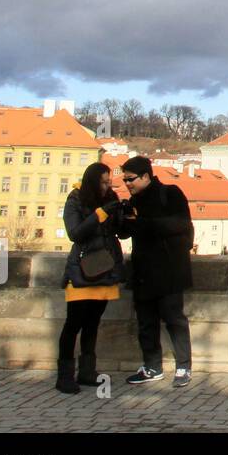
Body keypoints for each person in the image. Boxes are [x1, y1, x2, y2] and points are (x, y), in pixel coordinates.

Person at [116, 156, 194, 387]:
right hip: (143, 271)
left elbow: (180, 224)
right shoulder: (133, 201)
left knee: (174, 319)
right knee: (146, 321)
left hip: (170, 270)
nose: (127, 183)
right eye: (124, 179)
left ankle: (183, 367)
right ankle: (152, 366)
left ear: (146, 176)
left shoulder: (170, 193)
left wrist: (142, 223)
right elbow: (124, 234)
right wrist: (122, 218)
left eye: (130, 179)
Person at [57, 162, 126, 394]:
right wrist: (99, 214)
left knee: (92, 323)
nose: (107, 186)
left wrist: (125, 216)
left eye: (109, 182)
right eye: (103, 182)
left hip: (105, 269)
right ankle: (64, 376)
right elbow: (74, 233)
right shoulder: (75, 199)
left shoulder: (110, 198)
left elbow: (119, 232)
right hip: (82, 271)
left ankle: (87, 371)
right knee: (73, 324)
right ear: (92, 180)